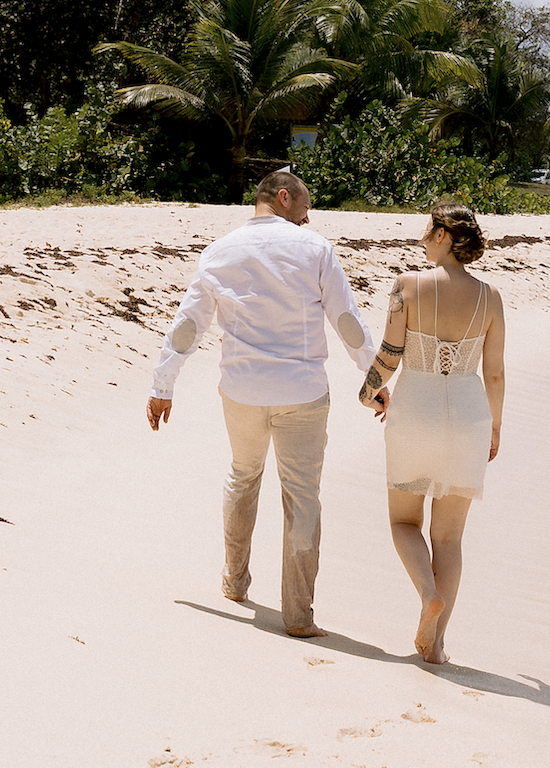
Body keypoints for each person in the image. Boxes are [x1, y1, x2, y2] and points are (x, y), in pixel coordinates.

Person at [147, 166, 378, 637]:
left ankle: (234, 582)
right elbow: (346, 319)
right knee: (302, 497)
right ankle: (298, 615)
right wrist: (373, 379)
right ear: (285, 197)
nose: (309, 221)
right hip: (302, 391)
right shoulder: (315, 250)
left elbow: (189, 325)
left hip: (242, 390)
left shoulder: (219, 251)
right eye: (307, 208)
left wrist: (162, 385)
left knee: (242, 476)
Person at [360, 199, 505, 665]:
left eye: (428, 230)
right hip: (469, 414)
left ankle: (427, 595)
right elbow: (496, 374)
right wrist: (495, 428)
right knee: (450, 539)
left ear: (443, 235)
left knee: (404, 523)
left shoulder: (407, 286)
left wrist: (367, 391)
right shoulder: (490, 297)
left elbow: (390, 353)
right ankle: (436, 643)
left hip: (417, 408)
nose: (423, 237)